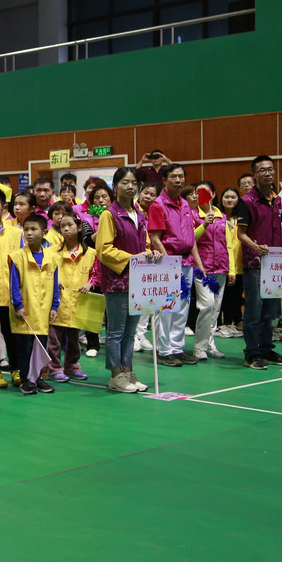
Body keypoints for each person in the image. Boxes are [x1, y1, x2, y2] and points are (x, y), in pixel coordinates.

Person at [96, 167, 151, 393]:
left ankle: (128, 371)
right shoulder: (109, 214)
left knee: (131, 331)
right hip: (117, 281)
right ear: (115, 186)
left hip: (137, 280)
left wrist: (150, 253)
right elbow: (103, 250)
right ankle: (115, 375)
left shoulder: (140, 214)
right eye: (125, 182)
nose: (130, 186)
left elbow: (144, 243)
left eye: (134, 182)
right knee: (116, 331)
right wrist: (132, 258)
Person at [147, 164, 203, 367]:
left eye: (181, 176)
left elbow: (190, 237)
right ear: (164, 180)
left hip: (187, 261)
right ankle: (164, 350)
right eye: (174, 176)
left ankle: (177, 347)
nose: (178, 180)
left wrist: (198, 262)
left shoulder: (186, 205)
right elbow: (155, 238)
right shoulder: (158, 205)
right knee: (167, 307)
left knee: (182, 307)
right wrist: (167, 261)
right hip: (169, 262)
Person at [236, 156, 282, 370]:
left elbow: (278, 233)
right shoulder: (247, 201)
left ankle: (266, 348)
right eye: (263, 170)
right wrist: (256, 247)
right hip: (255, 263)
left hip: (275, 264)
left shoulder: (277, 200)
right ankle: (251, 353)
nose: (268, 173)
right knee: (254, 311)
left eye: (271, 169)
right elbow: (241, 234)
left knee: (270, 311)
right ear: (255, 175)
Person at [7, 214, 59, 396]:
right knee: (24, 348)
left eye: (33, 229)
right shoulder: (17, 257)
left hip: (43, 312)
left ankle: (37, 378)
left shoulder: (52, 257)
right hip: (25, 312)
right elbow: (13, 284)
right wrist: (18, 305)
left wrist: (54, 306)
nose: (28, 233)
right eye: (25, 229)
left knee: (40, 347)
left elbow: (55, 283)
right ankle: (24, 379)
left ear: (44, 232)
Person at [45, 213, 95, 383]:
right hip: (57, 302)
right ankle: (54, 368)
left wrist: (90, 283)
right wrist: (53, 279)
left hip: (79, 302)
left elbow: (97, 274)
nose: (65, 229)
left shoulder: (90, 253)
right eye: (62, 226)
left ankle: (72, 366)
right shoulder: (51, 252)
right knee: (54, 339)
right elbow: (45, 271)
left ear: (79, 227)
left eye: (69, 225)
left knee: (74, 339)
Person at [0, 186, 23, 389]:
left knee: (13, 335)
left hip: (12, 296)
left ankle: (17, 369)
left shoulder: (17, 233)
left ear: (4, 207)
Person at [192, 181, 227, 361]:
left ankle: (210, 344)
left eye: (205, 192)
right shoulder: (192, 215)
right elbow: (191, 239)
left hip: (221, 266)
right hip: (202, 268)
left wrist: (233, 269)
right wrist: (204, 224)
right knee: (206, 305)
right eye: (198, 193)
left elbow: (229, 243)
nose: (201, 196)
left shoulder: (223, 217)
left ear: (213, 194)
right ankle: (199, 347)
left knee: (216, 309)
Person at [216, 187, 245, 339]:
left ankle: (233, 322)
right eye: (226, 196)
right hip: (222, 262)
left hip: (238, 261)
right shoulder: (217, 217)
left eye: (233, 197)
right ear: (221, 199)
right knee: (223, 294)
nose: (229, 200)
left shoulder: (241, 218)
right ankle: (222, 324)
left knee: (236, 295)